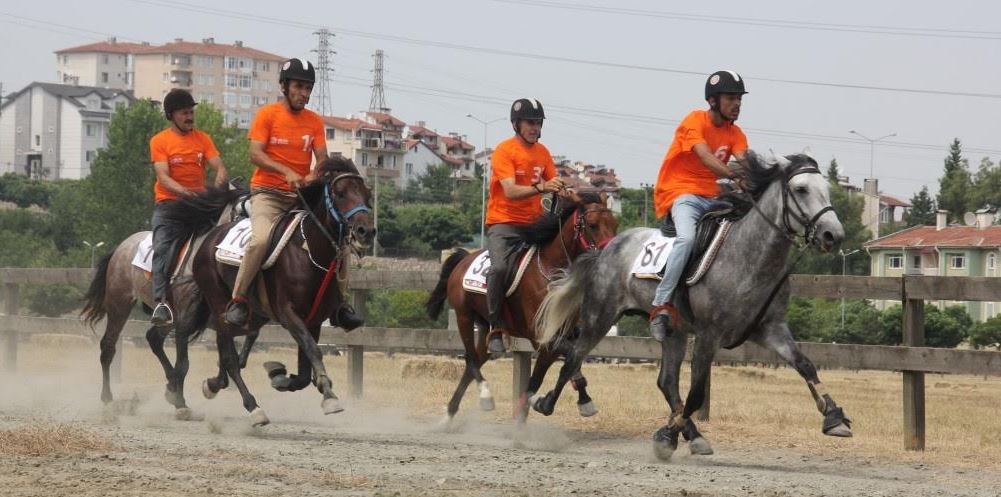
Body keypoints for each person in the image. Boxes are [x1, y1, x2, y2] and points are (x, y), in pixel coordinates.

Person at [223, 58, 362, 329]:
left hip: (301, 197)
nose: (305, 94)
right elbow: (255, 153)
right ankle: (238, 300)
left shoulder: (314, 122)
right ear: (284, 87)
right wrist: (285, 171)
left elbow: (321, 158)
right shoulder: (267, 115)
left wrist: (314, 175)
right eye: (299, 86)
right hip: (268, 194)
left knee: (339, 244)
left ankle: (340, 305)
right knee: (260, 241)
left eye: (308, 88)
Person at [649, 70, 750, 341]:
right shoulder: (694, 120)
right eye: (731, 98)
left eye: (740, 99)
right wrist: (733, 175)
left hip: (714, 196)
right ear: (714, 101)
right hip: (682, 193)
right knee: (687, 239)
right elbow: (705, 156)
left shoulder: (736, 133)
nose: (738, 104)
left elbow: (745, 160)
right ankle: (660, 304)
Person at [484, 98, 565, 355]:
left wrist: (571, 193)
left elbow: (556, 182)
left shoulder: (543, 152)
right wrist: (542, 187)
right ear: (516, 124)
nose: (535, 127)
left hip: (533, 224)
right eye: (530, 122)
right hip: (503, 223)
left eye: (538, 122)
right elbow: (509, 190)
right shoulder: (504, 151)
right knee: (498, 269)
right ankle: (495, 327)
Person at [149, 88, 228, 326]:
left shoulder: (203, 139)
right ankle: (161, 301)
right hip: (170, 207)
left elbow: (220, 168)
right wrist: (188, 194)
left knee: (223, 241)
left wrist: (217, 192)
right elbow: (163, 177)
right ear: (171, 115)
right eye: (185, 113)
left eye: (191, 112)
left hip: (200, 206)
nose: (190, 117)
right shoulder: (159, 141)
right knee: (162, 248)